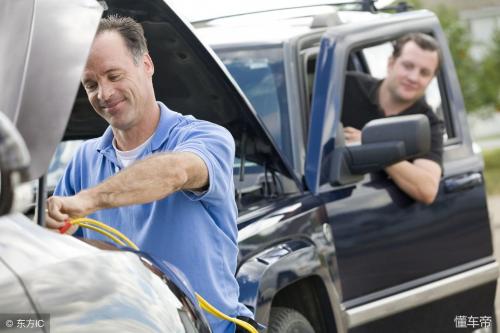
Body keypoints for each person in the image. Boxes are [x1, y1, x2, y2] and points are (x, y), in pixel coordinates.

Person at [45, 15, 254, 333]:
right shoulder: (83, 160)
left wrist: (88, 201)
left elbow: (175, 172)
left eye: (114, 75)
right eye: (91, 85)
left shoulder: (205, 138)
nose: (104, 93)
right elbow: (61, 253)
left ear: (146, 64)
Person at [342, 33, 444, 204]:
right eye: (408, 66)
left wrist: (373, 148)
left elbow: (427, 190)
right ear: (391, 63)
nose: (413, 77)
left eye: (424, 73)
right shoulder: (346, 86)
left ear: (431, 80)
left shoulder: (428, 123)